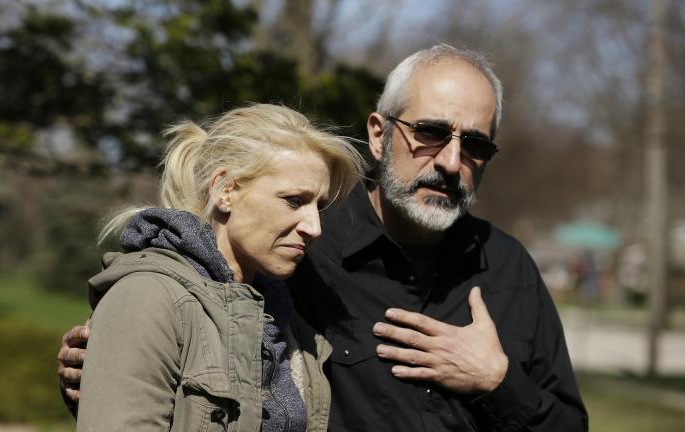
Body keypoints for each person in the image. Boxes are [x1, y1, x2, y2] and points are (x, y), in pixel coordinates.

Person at [59, 45, 588, 431]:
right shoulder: (300, 248)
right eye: (430, 132)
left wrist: (497, 383)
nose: (451, 162)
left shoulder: (509, 267)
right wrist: (107, 358)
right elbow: (197, 329)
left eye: (475, 145)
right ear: (379, 133)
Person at [70, 103, 364, 431]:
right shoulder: (147, 297)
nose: (314, 226)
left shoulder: (284, 319)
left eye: (318, 207)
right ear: (225, 190)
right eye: (294, 201)